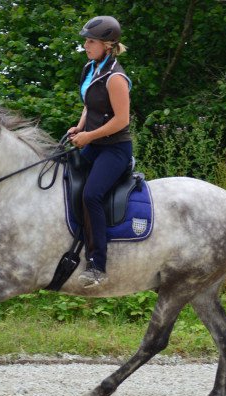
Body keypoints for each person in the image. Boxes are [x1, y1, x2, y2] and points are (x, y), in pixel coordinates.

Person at [68, 15, 132, 288]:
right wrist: (79, 127)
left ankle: (97, 265)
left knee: (92, 194)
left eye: (91, 41)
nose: (86, 45)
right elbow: (89, 104)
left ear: (107, 45)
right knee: (63, 177)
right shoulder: (91, 68)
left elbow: (121, 120)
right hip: (92, 143)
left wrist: (89, 136)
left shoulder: (115, 77)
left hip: (114, 149)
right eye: (85, 40)